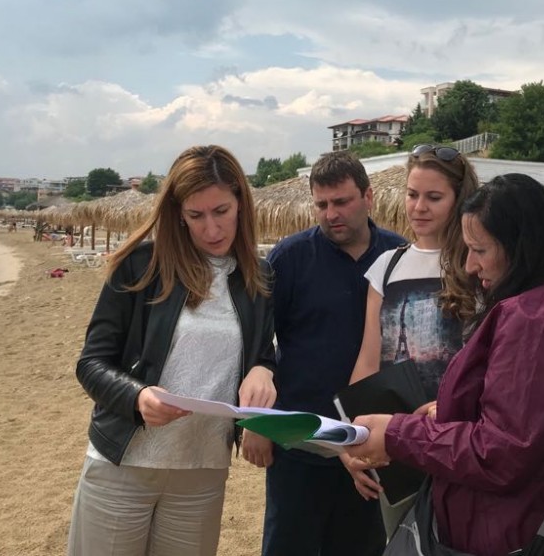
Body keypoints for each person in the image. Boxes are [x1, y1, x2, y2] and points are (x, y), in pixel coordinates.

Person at [344, 173, 544, 556]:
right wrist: (457, 410)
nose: (470, 265)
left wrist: (397, 435)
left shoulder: (534, 320)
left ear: (520, 249)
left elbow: (501, 452)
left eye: (479, 250)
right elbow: (536, 415)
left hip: (509, 528)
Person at [67, 145, 277, 556]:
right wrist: (138, 396)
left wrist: (265, 369)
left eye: (221, 211)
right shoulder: (141, 266)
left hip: (203, 471)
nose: (211, 229)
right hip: (123, 464)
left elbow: (261, 353)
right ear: (178, 213)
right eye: (196, 216)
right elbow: (91, 363)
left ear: (241, 203)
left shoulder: (259, 276)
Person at [245, 150, 406, 556]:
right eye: (322, 205)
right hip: (300, 439)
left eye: (341, 202)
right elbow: (257, 343)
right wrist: (255, 422)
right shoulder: (289, 257)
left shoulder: (397, 256)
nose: (331, 214)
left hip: (368, 439)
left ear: (368, 197)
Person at [349, 144, 479, 399]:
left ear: (459, 201)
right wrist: (349, 417)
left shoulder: (477, 264)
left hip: (456, 418)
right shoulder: (386, 266)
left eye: (434, 197)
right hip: (391, 418)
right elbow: (369, 361)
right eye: (412, 195)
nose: (419, 207)